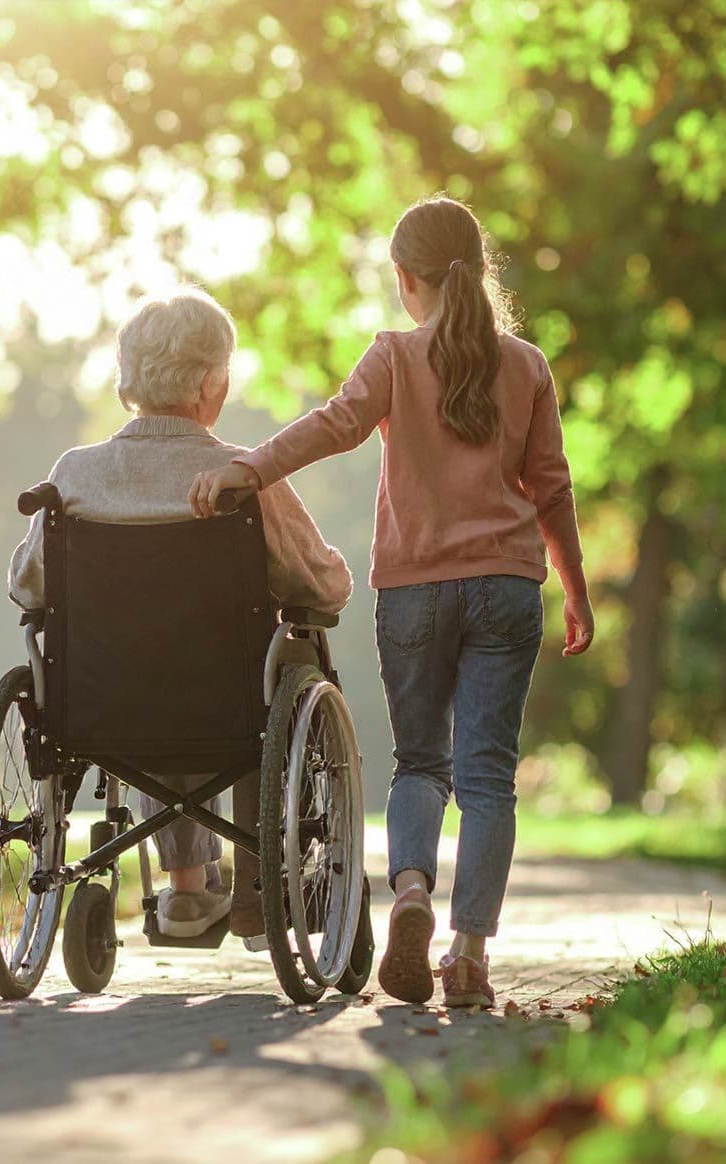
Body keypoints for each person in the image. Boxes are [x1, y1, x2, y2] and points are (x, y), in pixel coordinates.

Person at [190, 196, 594, 1006]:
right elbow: (551, 490)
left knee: (420, 764)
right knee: (488, 780)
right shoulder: (527, 366)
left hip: (413, 593)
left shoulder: (394, 359)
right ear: (477, 273)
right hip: (507, 590)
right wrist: (576, 591)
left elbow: (334, 425)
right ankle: (470, 956)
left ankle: (411, 892)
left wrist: (250, 469)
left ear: (407, 282)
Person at [10, 287, 352, 940]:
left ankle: (188, 891)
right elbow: (323, 586)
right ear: (209, 386)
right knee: (272, 667)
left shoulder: (75, 476)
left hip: (103, 703)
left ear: (129, 381)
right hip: (229, 705)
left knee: (148, 664)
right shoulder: (241, 476)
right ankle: (261, 886)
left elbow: (28, 588)